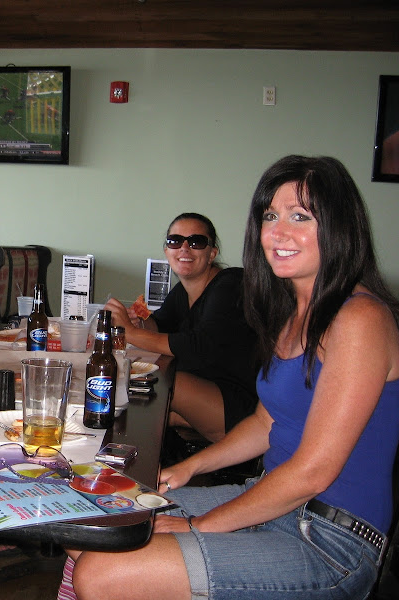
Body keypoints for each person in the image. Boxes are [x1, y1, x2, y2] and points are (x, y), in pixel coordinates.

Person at [63, 155, 399, 600]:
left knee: (101, 573)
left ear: (340, 227)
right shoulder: (293, 312)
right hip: (271, 499)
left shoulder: (360, 318)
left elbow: (314, 472)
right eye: (270, 216)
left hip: (330, 538)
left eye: (300, 216)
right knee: (85, 521)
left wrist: (198, 525)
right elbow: (265, 422)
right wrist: (187, 468)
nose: (277, 232)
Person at [105, 213, 259, 442]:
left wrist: (131, 332)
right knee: (139, 413)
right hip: (208, 392)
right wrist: (139, 321)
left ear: (212, 253)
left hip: (242, 405)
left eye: (196, 242)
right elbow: (161, 325)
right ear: (167, 251)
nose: (184, 248)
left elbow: (199, 346)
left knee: (157, 384)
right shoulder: (183, 291)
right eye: (175, 241)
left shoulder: (232, 285)